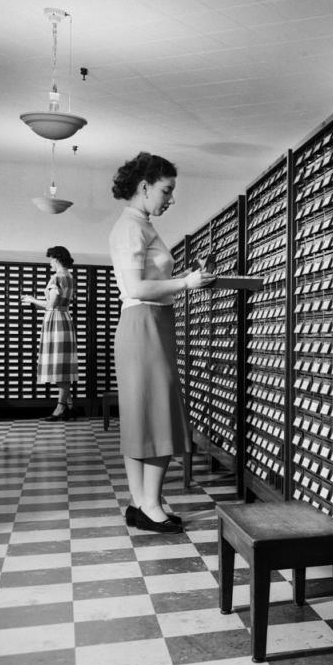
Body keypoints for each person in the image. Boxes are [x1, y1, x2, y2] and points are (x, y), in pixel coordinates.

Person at [108, 152, 215, 534]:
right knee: (159, 416)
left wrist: (185, 276)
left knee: (142, 417)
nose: (170, 199)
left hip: (148, 323)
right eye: (166, 190)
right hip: (146, 323)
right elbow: (135, 287)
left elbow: (148, 279)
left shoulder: (137, 224)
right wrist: (186, 283)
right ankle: (150, 504)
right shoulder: (133, 227)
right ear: (145, 186)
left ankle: (141, 504)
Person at [22, 246, 79, 421]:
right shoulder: (70, 277)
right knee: (62, 363)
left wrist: (31, 299)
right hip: (64, 319)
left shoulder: (57, 278)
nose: (50, 264)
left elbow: (51, 305)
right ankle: (69, 406)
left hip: (55, 322)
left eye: (51, 260)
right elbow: (58, 304)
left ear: (56, 259)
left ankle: (60, 408)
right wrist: (34, 302)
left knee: (59, 364)